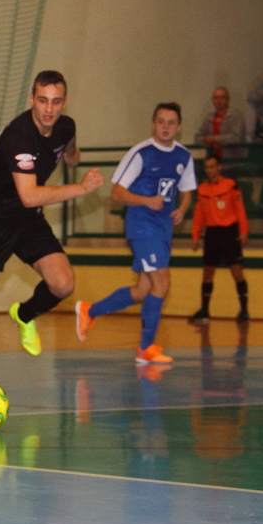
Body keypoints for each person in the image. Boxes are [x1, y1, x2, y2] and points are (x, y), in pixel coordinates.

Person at [0, 70, 105, 394]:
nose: (49, 109)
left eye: (56, 102)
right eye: (42, 100)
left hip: (26, 220)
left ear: (64, 102)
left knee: (63, 283)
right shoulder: (19, 136)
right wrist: (80, 188)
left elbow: (70, 151)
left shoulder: (66, 126)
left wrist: (72, 156)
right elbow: (29, 195)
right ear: (31, 99)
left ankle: (24, 314)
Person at [75, 102, 196, 364]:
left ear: (179, 126)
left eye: (171, 122)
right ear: (153, 124)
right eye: (161, 121)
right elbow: (116, 193)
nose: (165, 127)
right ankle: (145, 349)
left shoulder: (184, 156)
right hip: (142, 225)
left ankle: (89, 310)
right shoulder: (141, 153)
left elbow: (186, 190)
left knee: (143, 290)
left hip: (163, 228)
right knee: (162, 283)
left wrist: (183, 209)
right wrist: (146, 201)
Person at [189, 156, 249, 322]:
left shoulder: (230, 185)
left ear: (219, 167)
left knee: (236, 270)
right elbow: (199, 215)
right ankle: (205, 310)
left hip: (229, 232)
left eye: (212, 167)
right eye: (207, 167)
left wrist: (243, 231)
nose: (209, 170)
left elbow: (240, 210)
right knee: (208, 271)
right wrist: (196, 235)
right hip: (212, 233)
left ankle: (244, 310)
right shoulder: (202, 189)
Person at [192, 87, 246, 160]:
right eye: (216, 98)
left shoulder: (235, 116)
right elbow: (197, 138)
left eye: (222, 98)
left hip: (232, 162)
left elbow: (236, 137)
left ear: (228, 99)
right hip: (213, 163)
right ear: (212, 100)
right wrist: (207, 141)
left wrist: (215, 139)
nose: (219, 101)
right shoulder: (209, 118)